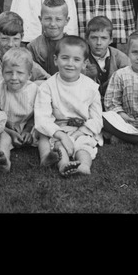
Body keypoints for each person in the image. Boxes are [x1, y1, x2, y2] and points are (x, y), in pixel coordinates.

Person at [34, 35, 103, 177]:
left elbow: (97, 119)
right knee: (60, 146)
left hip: (82, 130)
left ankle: (84, 165)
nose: (70, 63)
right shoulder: (48, 87)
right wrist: (62, 135)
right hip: (58, 129)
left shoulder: (91, 87)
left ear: (84, 63)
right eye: (65, 58)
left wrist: (80, 132)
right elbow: (42, 118)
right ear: (55, 60)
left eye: (76, 59)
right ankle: (64, 165)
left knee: (83, 148)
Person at [0, 47, 41, 172]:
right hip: (5, 127)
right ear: (2, 73)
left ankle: (47, 154)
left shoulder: (35, 90)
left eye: (20, 73)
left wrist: (28, 130)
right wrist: (10, 132)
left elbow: (37, 114)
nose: (14, 77)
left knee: (43, 133)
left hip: (29, 125)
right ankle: (4, 159)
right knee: (4, 138)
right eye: (8, 72)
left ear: (29, 75)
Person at [0, 10, 50, 86]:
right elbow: (6, 90)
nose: (10, 44)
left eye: (15, 39)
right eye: (5, 39)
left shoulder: (22, 58)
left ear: (21, 37)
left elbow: (48, 79)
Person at [82, 15, 130, 99]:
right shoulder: (81, 57)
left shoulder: (120, 58)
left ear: (111, 39)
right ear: (87, 39)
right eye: (94, 38)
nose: (99, 43)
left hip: (115, 102)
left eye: (104, 38)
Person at [27, 0, 72, 76]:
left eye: (58, 19)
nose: (52, 24)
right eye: (48, 19)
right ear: (40, 19)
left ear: (66, 21)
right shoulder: (34, 47)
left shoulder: (73, 45)